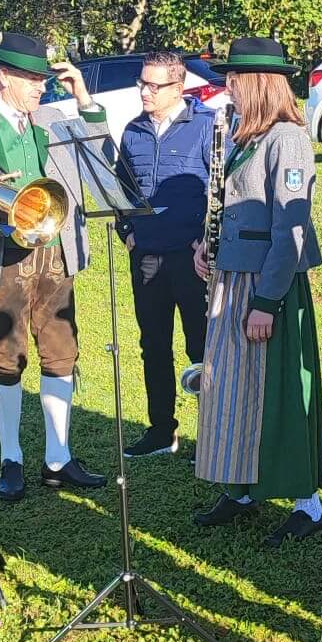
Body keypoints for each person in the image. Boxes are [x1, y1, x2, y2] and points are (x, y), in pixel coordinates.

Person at [0, 28, 109, 503]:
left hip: (56, 250)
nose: (40, 88)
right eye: (32, 79)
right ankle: (11, 457)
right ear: (4, 76)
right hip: (4, 256)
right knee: (8, 355)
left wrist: (83, 97)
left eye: (43, 80)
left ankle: (58, 458)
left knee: (62, 350)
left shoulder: (50, 117)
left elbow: (100, 154)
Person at [191, 37, 322, 546]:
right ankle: (242, 487)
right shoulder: (243, 135)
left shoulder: (287, 138)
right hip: (233, 277)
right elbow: (230, 206)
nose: (227, 87)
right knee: (231, 388)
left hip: (270, 285)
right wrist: (205, 246)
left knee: (280, 393)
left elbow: (290, 230)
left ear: (257, 84)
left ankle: (307, 504)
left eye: (234, 79)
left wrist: (266, 303)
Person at [116, 51, 213, 459]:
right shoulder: (132, 131)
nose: (145, 92)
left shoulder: (207, 126)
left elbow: (220, 189)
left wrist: (206, 240)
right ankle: (161, 431)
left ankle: (211, 435)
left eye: (155, 85)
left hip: (192, 259)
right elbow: (121, 189)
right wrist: (127, 233)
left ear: (179, 87)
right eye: (143, 83)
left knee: (202, 348)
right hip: (147, 256)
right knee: (153, 345)